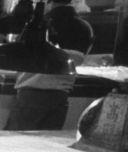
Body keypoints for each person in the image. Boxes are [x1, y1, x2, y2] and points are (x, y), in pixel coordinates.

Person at [5, 0, 93, 131]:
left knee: (17, 139)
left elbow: (19, 54)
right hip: (60, 96)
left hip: (31, 94)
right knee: (47, 140)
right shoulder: (85, 28)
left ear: (49, 2)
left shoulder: (37, 24)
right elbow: (80, 59)